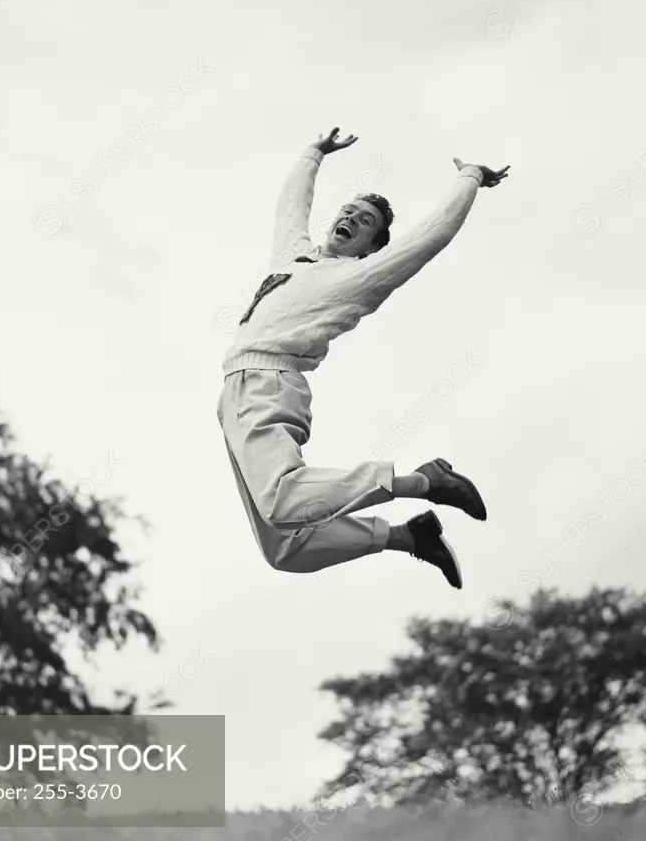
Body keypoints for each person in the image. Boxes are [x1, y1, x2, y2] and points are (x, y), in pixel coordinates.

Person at [216, 128, 509, 586]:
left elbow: (429, 238)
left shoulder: (359, 278)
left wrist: (469, 178)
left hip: (270, 382)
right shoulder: (294, 257)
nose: (352, 218)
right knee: (285, 548)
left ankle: (424, 482)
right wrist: (313, 153)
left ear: (371, 247)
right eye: (350, 210)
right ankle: (410, 537)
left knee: (282, 501)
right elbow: (290, 208)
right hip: (232, 393)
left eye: (366, 221)